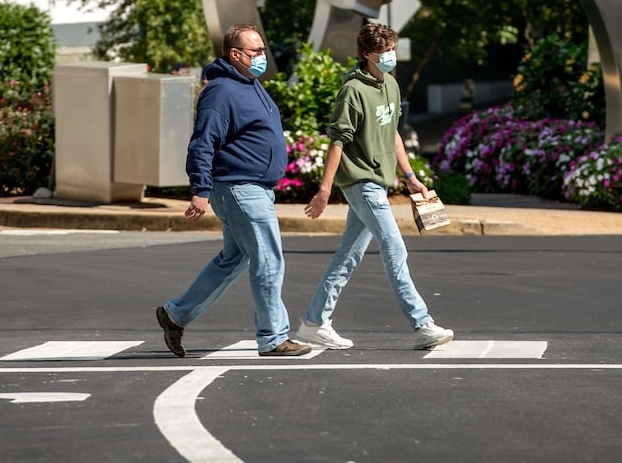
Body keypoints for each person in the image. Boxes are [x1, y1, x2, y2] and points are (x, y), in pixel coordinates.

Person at [297, 22, 454, 350]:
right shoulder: (352, 90)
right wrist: (325, 190)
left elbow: (393, 133)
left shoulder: (392, 86)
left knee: (348, 256)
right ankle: (422, 323)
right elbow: (337, 141)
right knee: (395, 249)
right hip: (361, 183)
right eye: (383, 52)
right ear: (366, 55)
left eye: (392, 49)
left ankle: (313, 322)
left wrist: (410, 177)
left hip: (379, 184)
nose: (390, 56)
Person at [156, 24, 311, 358]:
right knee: (268, 260)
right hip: (240, 188)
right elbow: (203, 142)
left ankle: (175, 314)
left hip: (254, 189)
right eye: (254, 52)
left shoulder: (250, 85)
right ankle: (273, 338)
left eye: (263, 51)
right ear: (235, 54)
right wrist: (200, 188)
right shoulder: (221, 91)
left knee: (233, 259)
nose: (261, 57)